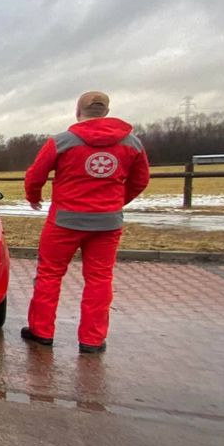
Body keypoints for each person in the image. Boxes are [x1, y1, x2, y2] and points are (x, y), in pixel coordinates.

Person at [22, 91, 150, 353]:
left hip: (64, 221)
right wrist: (115, 202)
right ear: (106, 112)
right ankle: (92, 339)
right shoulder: (132, 143)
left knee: (49, 275)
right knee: (100, 279)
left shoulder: (61, 142)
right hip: (107, 224)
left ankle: (41, 331)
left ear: (78, 112)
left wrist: (33, 197)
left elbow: (35, 175)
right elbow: (140, 180)